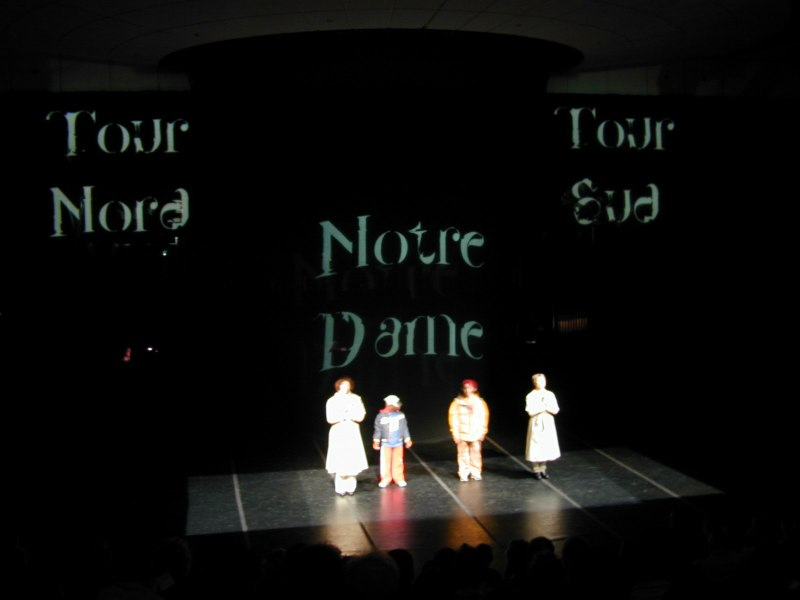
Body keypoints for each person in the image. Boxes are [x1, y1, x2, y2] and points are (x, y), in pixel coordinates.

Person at [326, 377, 369, 496]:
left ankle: (351, 487)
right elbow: (330, 418)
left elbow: (361, 414)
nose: (345, 387)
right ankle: (340, 488)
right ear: (338, 386)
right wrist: (342, 416)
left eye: (348, 385)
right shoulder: (332, 400)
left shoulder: (356, 398)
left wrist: (353, 416)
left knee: (352, 458)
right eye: (343, 385)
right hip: (339, 430)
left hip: (352, 430)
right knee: (340, 458)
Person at [448, 379, 490, 482]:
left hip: (475, 433)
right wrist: (455, 433)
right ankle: (463, 473)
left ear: (474, 389)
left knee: (476, 454)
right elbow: (453, 417)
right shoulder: (457, 402)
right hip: (462, 433)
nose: (467, 390)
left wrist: (483, 431)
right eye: (465, 388)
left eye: (470, 388)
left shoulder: (480, 402)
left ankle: (476, 472)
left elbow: (484, 417)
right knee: (462, 454)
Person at [524, 373, 561, 479]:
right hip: (536, 421)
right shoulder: (531, 395)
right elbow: (530, 411)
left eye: (542, 381)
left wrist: (547, 407)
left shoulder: (550, 394)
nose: (541, 383)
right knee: (535, 446)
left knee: (546, 445)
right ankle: (536, 469)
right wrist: (542, 407)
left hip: (547, 421)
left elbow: (556, 410)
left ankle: (543, 468)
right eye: (538, 381)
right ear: (535, 383)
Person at [372, 394, 413, 488]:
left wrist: (407, 439)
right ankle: (386, 479)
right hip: (386, 443)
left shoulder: (401, 415)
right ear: (389, 405)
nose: (398, 405)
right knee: (385, 462)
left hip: (398, 442)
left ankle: (399, 478)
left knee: (398, 461)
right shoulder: (381, 416)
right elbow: (378, 429)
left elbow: (404, 428)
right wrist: (376, 441)